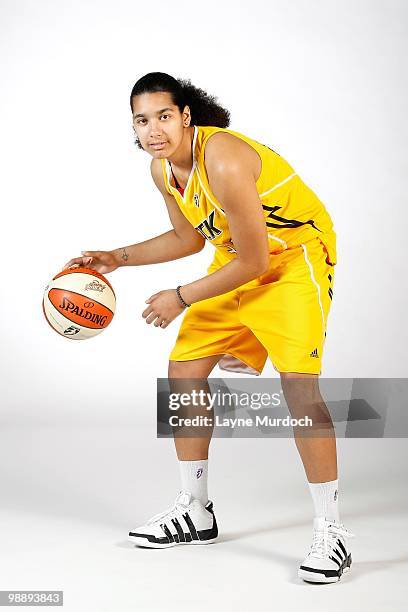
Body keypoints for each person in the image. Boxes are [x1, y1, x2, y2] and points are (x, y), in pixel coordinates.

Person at [64, 72, 354, 583]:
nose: (153, 129)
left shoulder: (222, 157)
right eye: (141, 119)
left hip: (292, 262)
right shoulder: (163, 169)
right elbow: (188, 239)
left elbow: (259, 260)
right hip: (238, 259)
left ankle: (331, 533)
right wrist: (118, 257)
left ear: (186, 116)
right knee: (184, 373)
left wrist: (179, 297)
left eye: (163, 116)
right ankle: (196, 510)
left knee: (300, 392)